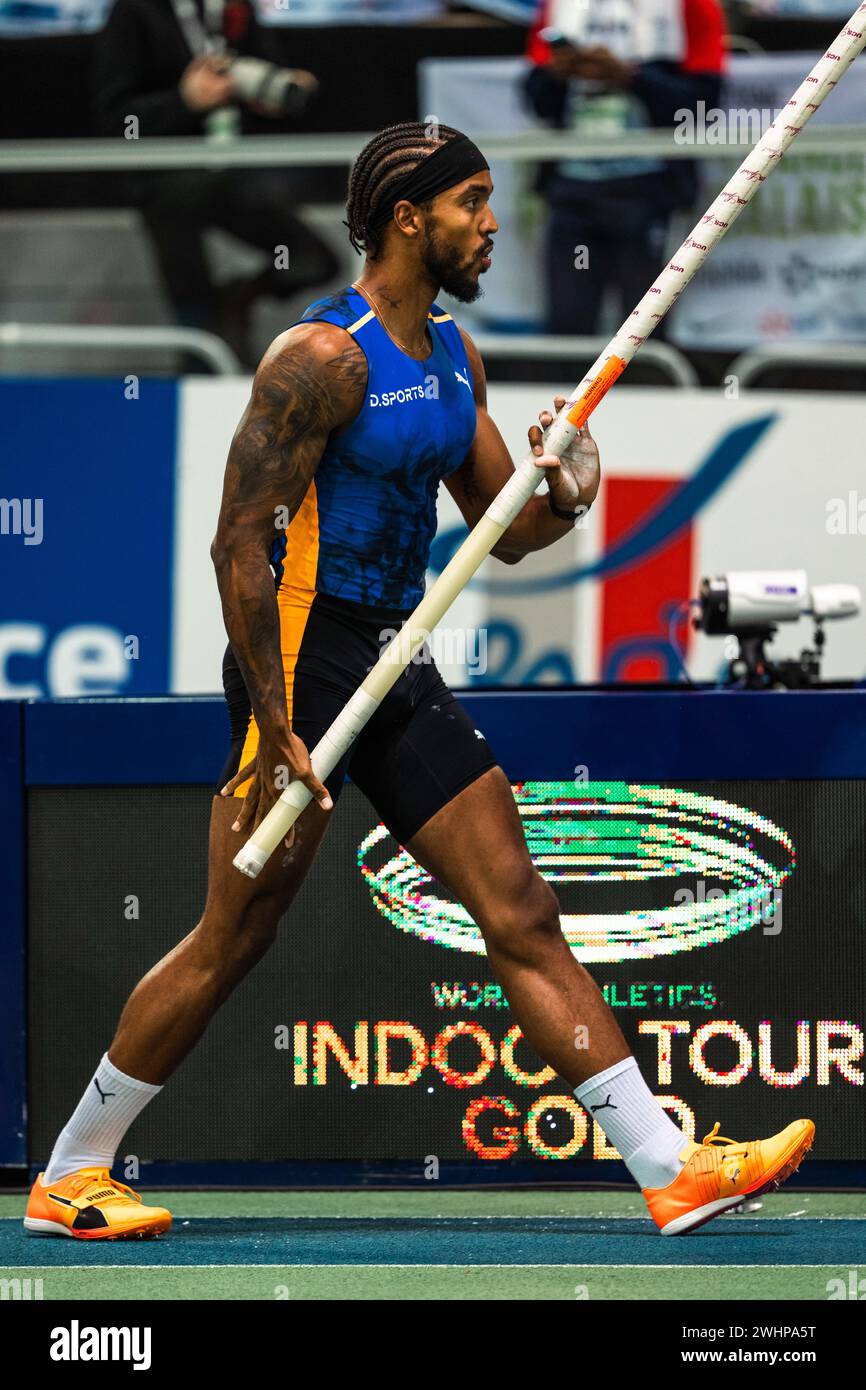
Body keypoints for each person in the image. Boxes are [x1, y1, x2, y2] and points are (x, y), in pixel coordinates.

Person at [24, 122, 813, 1242]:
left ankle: (670, 1166)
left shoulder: (451, 353)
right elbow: (237, 544)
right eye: (471, 203)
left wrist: (569, 486)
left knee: (519, 908)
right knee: (234, 932)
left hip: (397, 656)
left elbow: (509, 532)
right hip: (303, 661)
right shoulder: (320, 358)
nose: (490, 226)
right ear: (409, 218)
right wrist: (275, 718)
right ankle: (71, 1172)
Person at [91, 0, 339, 366]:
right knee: (196, 317)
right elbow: (118, 121)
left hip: (232, 173)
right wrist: (184, 101)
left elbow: (271, 75)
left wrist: (282, 90)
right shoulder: (136, 11)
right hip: (166, 182)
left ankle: (235, 302)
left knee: (314, 261)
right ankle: (207, 352)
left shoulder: (232, 8)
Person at [525, 0, 725, 335]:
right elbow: (537, 101)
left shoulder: (694, 5)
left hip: (648, 195)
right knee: (568, 328)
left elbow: (704, 104)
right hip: (573, 194)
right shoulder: (558, 5)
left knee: (644, 334)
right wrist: (557, 74)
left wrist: (630, 77)